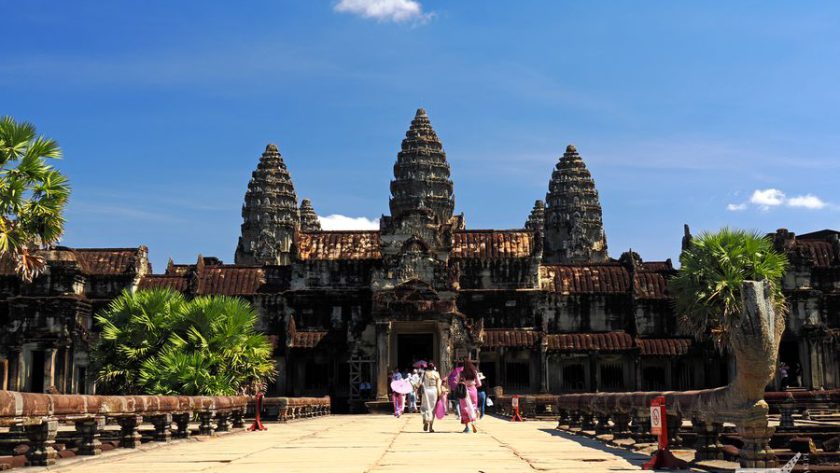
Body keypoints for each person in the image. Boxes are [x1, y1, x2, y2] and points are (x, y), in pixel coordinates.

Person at [419, 362, 442, 433]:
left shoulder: (424, 373)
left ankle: (426, 419)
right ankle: (431, 427)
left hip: (426, 391)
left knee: (425, 407)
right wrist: (439, 394)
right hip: (434, 391)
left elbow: (420, 383)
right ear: (434, 367)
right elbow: (438, 386)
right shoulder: (437, 374)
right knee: (433, 409)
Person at [459, 360, 481, 433]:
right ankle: (473, 422)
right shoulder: (474, 372)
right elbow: (479, 384)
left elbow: (457, 382)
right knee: (473, 406)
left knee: (464, 408)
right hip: (473, 390)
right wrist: (474, 385)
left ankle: (466, 427)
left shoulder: (462, 373)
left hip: (464, 391)